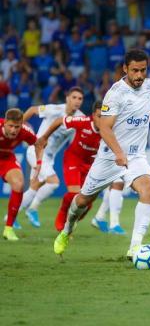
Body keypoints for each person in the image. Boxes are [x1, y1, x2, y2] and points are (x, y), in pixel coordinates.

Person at [53, 49, 150, 260]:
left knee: (149, 189)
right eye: (135, 70)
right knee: (82, 201)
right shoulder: (116, 94)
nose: (139, 75)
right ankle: (67, 230)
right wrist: (118, 153)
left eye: (143, 70)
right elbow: (105, 128)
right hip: (108, 157)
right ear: (125, 69)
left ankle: (135, 248)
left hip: (135, 157)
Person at [18, 87, 84, 228]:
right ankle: (32, 209)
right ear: (67, 98)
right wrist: (18, 127)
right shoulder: (54, 109)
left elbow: (78, 139)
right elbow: (32, 110)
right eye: (74, 97)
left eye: (80, 98)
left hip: (49, 158)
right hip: (36, 151)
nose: (77, 101)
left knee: (34, 187)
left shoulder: (81, 118)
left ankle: (9, 218)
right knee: (53, 182)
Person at [36, 101, 102, 232]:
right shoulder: (83, 121)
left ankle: (70, 223)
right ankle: (62, 214)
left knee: (87, 203)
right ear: (93, 115)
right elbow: (60, 120)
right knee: (74, 194)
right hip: (73, 159)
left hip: (91, 165)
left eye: (106, 116)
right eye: (100, 116)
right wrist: (44, 137)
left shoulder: (110, 128)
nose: (103, 120)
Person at [1, 108, 44, 241]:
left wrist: (38, 162)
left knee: (19, 185)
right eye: (11, 126)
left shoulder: (25, 132)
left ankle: (8, 229)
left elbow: (39, 144)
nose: (14, 130)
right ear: (4, 123)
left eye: (17, 126)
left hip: (7, 158)